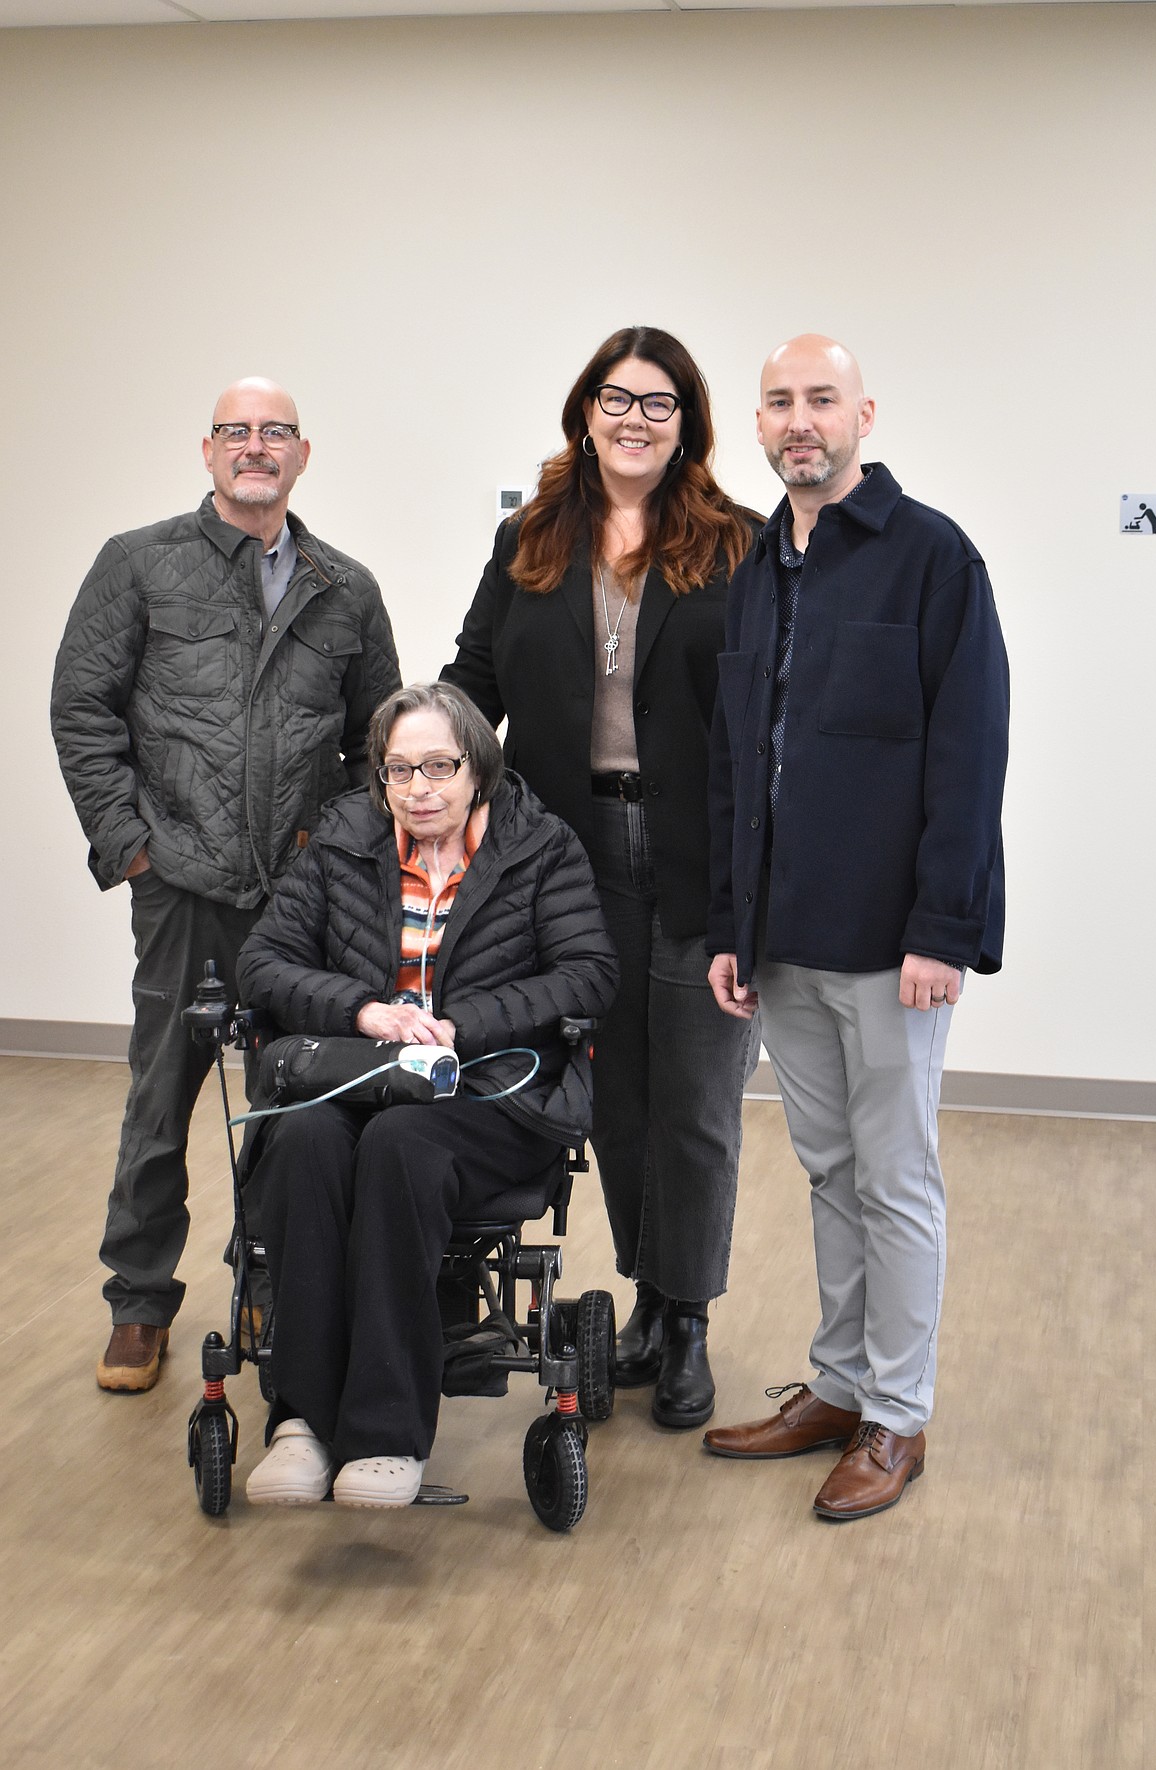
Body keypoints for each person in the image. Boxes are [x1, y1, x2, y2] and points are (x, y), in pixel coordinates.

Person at [702, 335, 1009, 1521]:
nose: (798, 421)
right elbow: (740, 759)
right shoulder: (755, 570)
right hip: (783, 939)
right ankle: (835, 1386)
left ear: (863, 414)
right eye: (778, 402)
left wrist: (944, 927)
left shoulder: (934, 558)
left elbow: (968, 754)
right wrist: (735, 923)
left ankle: (897, 1416)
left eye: (820, 399)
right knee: (830, 1172)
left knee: (896, 1177)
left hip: (892, 946)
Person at [50, 378, 401, 1393]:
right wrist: (131, 847)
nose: (257, 447)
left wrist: (333, 862)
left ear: (302, 454)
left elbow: (377, 747)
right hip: (183, 889)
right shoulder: (139, 565)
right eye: (238, 431)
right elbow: (84, 710)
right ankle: (138, 1302)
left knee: (293, 1097)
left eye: (275, 432)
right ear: (209, 453)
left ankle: (270, 1283)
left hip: (298, 905)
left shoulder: (346, 587)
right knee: (162, 1093)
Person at [442, 327, 760, 1430]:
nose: (635, 419)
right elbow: (475, 676)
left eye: (659, 403)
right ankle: (646, 1297)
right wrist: (421, 764)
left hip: (703, 862)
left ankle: (692, 1322)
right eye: (617, 399)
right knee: (612, 1102)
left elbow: (772, 714)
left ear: (688, 426)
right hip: (568, 861)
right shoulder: (527, 539)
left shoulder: (738, 545)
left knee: (699, 1105)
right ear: (585, 412)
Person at [237, 682, 618, 1507]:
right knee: (303, 1144)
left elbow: (589, 973)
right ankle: (302, 1422)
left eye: (439, 766)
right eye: (399, 770)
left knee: (399, 1146)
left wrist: (459, 1024)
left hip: (486, 1096)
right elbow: (262, 962)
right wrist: (364, 1013)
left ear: (477, 767)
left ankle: (382, 1435)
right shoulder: (341, 842)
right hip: (360, 1075)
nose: (419, 789)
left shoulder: (538, 849)